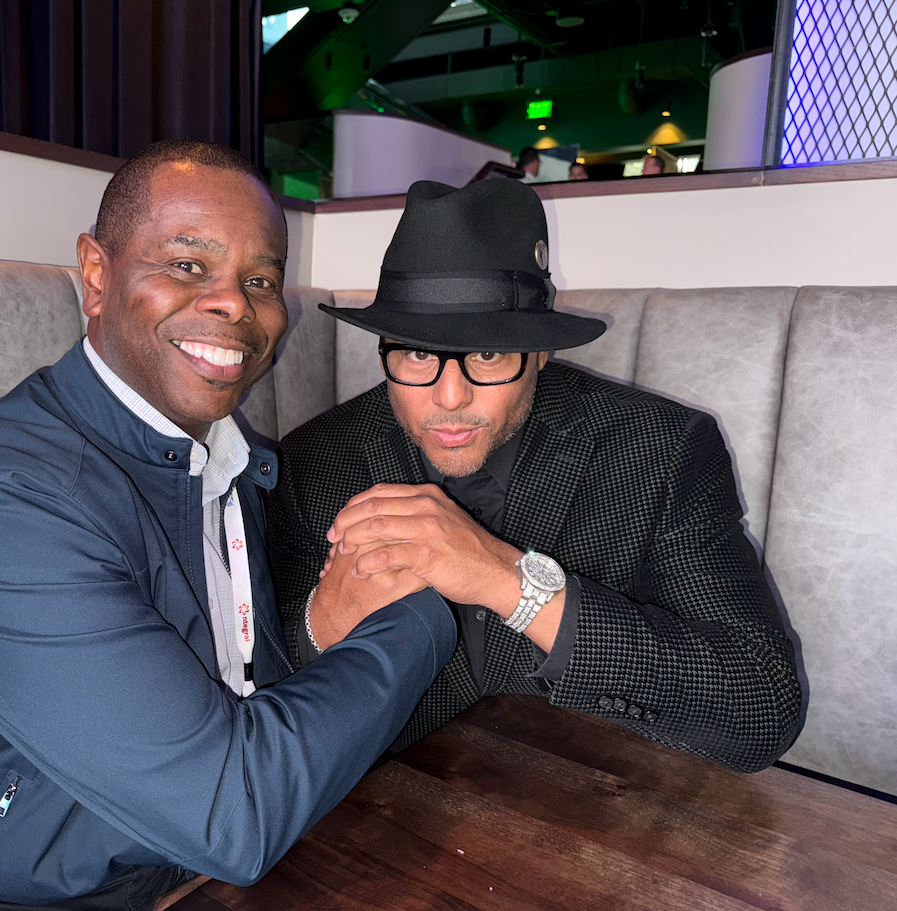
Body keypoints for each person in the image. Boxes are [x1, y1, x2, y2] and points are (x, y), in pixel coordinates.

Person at [0, 141, 456, 911]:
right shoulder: (7, 504)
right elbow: (233, 810)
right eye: (187, 266)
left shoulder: (233, 462)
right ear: (96, 275)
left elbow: (237, 705)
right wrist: (427, 609)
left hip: (166, 876)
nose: (234, 304)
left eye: (260, 279)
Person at [270, 178, 801, 770]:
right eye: (418, 353)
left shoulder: (659, 451)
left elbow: (763, 706)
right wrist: (324, 627)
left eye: (489, 354)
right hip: (386, 815)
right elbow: (273, 683)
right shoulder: (313, 461)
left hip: (592, 812)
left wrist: (508, 581)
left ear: (541, 352)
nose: (449, 397)